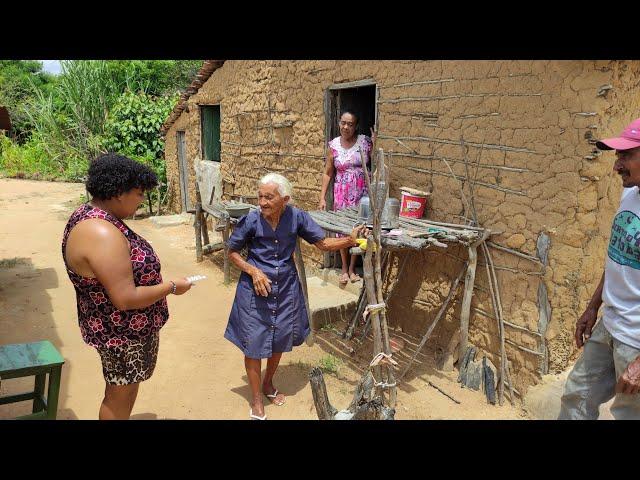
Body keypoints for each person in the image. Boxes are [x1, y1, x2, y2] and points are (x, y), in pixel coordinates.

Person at [224, 173, 368, 420]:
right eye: (260, 196)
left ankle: (268, 383)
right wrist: (253, 270)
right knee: (254, 342)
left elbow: (322, 244)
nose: (262, 202)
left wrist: (350, 240)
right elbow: (232, 251)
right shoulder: (251, 220)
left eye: (269, 197)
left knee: (279, 336)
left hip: (285, 288)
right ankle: (257, 400)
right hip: (255, 288)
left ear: (285, 199)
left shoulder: (297, 217)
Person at [62, 153, 193, 420]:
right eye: (139, 193)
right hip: (121, 334)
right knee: (119, 394)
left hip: (125, 330)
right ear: (120, 193)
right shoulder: (101, 233)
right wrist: (170, 287)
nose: (142, 199)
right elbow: (125, 297)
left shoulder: (91, 215)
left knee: (126, 389)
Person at [558, 118, 640, 419]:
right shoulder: (630, 194)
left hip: (636, 341)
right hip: (610, 325)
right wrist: (593, 307)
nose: (616, 165)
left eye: (626, 155)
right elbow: (618, 257)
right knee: (576, 397)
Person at [319, 110, 375, 284]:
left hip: (361, 194)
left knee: (358, 228)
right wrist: (322, 197)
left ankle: (352, 268)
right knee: (342, 229)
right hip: (341, 194)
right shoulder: (334, 145)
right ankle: (344, 267)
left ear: (356, 126)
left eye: (350, 124)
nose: (346, 127)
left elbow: (375, 162)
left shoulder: (365, 142)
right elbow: (328, 172)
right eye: (343, 123)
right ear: (339, 123)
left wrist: (376, 142)